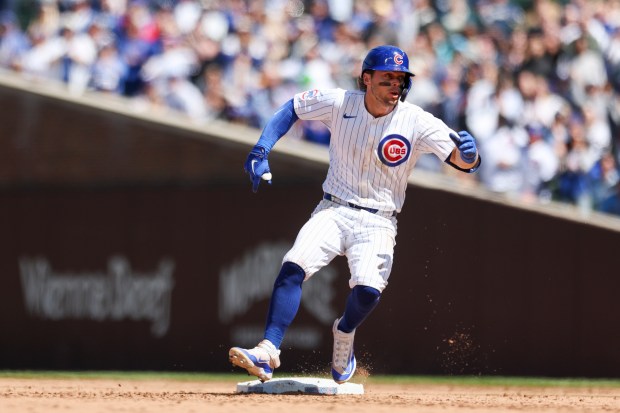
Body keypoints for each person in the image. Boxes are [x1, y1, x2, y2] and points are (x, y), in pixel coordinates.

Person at [228, 45, 481, 383]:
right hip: (334, 206)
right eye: (387, 77)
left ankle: (344, 332)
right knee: (293, 267)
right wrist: (261, 149)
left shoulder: (416, 120)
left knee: (368, 291)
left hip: (379, 219)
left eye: (400, 78)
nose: (395, 84)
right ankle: (267, 350)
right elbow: (293, 107)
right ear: (367, 78)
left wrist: (471, 155)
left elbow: (461, 160)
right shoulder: (340, 102)